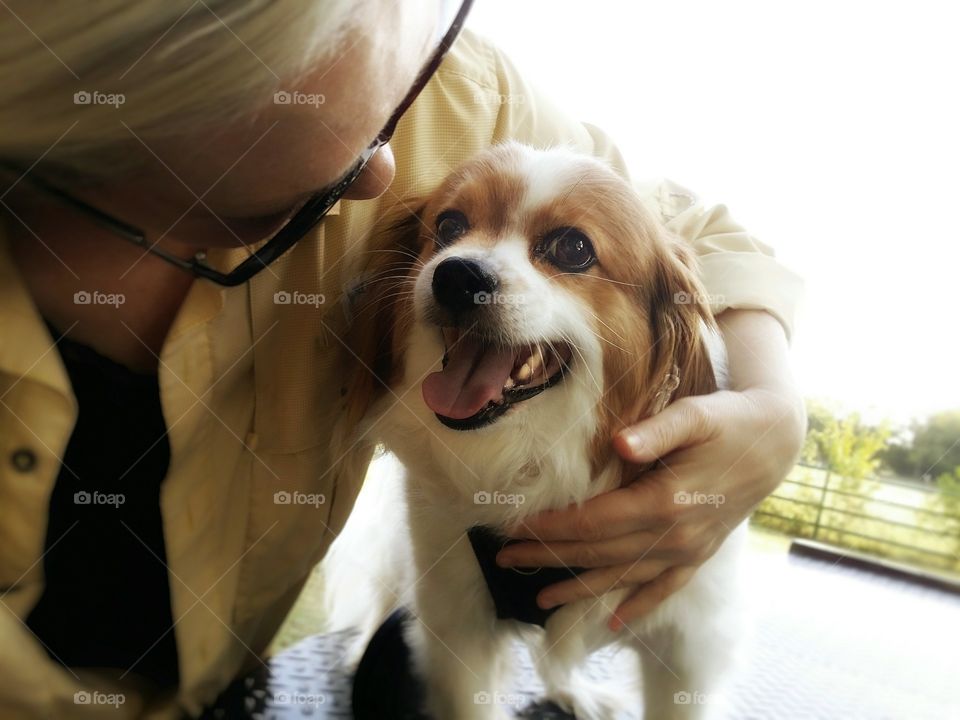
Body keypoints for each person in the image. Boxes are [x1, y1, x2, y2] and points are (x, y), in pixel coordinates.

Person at [0, 0, 804, 717]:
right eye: (449, 231)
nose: (387, 171)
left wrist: (772, 411)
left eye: (564, 247)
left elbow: (696, 230)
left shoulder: (448, 82)